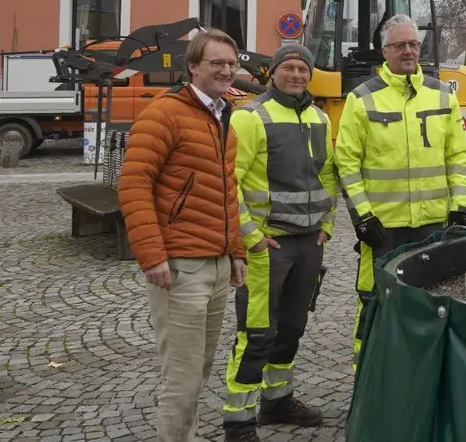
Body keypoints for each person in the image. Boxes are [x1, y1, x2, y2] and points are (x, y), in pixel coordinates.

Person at [117, 28, 250, 442]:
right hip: (179, 267)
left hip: (215, 263)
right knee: (182, 376)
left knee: (200, 370)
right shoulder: (165, 113)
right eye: (217, 63)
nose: (226, 70)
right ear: (193, 66)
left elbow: (225, 191)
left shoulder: (224, 115)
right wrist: (152, 255)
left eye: (231, 63)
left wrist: (235, 250)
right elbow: (134, 183)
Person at [335, 13, 466, 365]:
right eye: (399, 45)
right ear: (385, 51)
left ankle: (423, 370)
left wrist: (461, 205)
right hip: (383, 227)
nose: (408, 51)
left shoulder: (442, 94)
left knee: (432, 298)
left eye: (413, 44)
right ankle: (367, 378)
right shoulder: (361, 98)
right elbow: (346, 163)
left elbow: (457, 155)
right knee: (374, 299)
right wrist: (362, 218)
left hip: (433, 221)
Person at [219, 43, 337, 440]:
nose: (296, 75)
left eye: (303, 69)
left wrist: (328, 226)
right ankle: (238, 422)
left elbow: (329, 175)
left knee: (291, 327)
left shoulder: (320, 118)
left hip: (308, 242)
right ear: (272, 73)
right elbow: (228, 180)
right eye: (288, 67)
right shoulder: (251, 117)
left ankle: (277, 401)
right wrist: (251, 237)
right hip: (268, 245)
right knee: (257, 334)